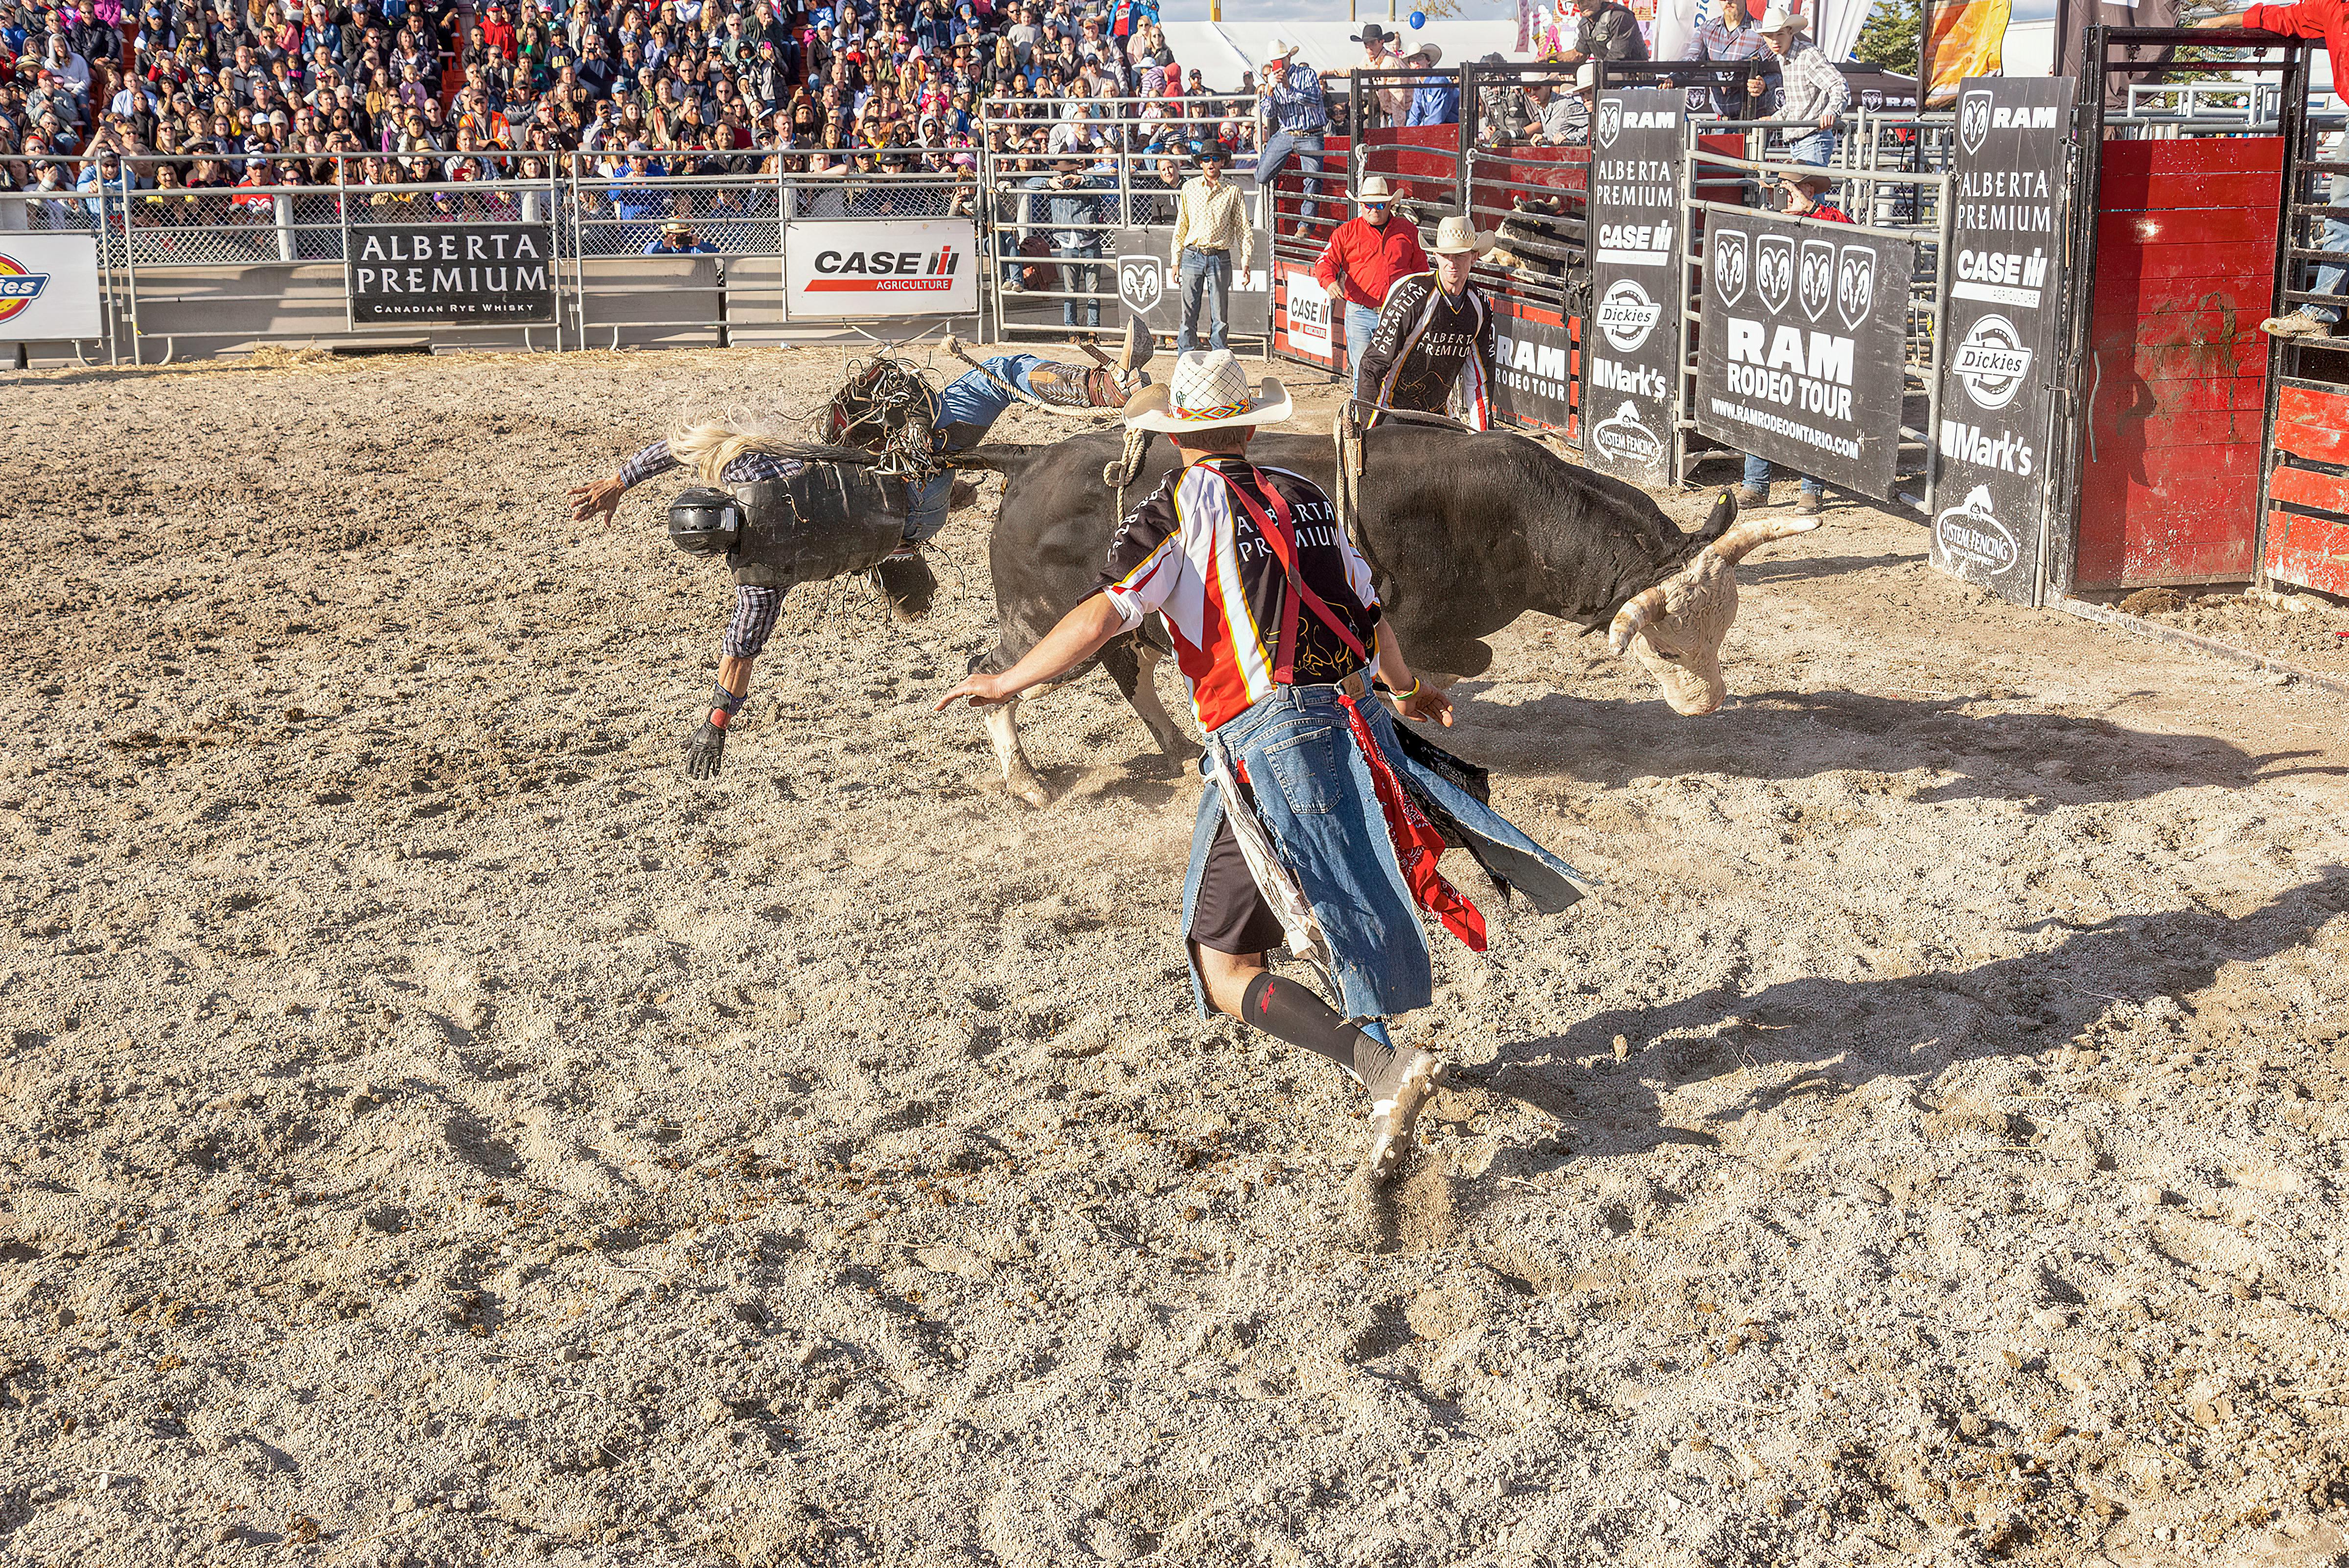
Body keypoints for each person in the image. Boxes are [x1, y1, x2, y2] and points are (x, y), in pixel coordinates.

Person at [935, 349, 1591, 1181]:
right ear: (1249, 423)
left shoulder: (1172, 505)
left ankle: (1382, 1069)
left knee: (1226, 963)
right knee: (1330, 908)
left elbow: (1104, 613)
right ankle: (1385, 1077)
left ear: (1181, 430)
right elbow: (1370, 613)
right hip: (1350, 727)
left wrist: (1008, 676)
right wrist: (1413, 689)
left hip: (1262, 742)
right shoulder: (1309, 498)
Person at [2198, 1, 2348, 338]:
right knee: (2341, 213)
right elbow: (2284, 17)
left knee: (2342, 213)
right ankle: (2320, 312)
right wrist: (2222, 22)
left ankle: (2320, 312)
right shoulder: (2331, 8)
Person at [1738, 170, 1848, 514]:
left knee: (1814, 403)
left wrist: (1810, 210)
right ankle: (1755, 485)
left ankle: (1811, 489)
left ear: (1809, 190)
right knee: (1762, 397)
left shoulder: (1830, 218)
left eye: (1791, 188)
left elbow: (1851, 237)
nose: (1784, 195)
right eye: (1781, 189)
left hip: (1816, 323)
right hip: (1776, 323)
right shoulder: (1770, 219)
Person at [1354, 214, 1496, 432]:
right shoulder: (1413, 294)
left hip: (1437, 413)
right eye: (1445, 255)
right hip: (1392, 410)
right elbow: (1373, 365)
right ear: (1435, 256)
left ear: (1474, 257)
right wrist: (1369, 429)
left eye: (1460, 255)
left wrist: (1486, 437)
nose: (1452, 262)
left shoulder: (1480, 306)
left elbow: (1480, 378)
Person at [1312, 175, 1428, 371]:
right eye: (1369, 205)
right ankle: (1364, 403)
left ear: (1390, 205)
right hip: (1360, 311)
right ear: (1362, 206)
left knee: (1395, 372)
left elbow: (1421, 271)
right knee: (1362, 372)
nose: (1374, 209)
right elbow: (1325, 261)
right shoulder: (1347, 232)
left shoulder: (1408, 230)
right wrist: (1329, 281)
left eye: (1381, 205)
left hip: (1398, 312)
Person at [1169, 137, 1248, 353]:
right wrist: (1176, 260)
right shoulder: (1189, 188)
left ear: (1222, 162)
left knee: (1220, 315)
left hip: (1220, 255)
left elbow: (1243, 227)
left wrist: (1246, 259)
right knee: (1188, 313)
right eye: (1206, 159)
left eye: (1215, 158)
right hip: (1193, 253)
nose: (1211, 163)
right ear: (1201, 163)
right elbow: (1182, 225)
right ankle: (1185, 359)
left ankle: (1220, 359)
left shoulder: (1233, 190)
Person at [1757, 5, 1844, 166]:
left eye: (1780, 34)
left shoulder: (1808, 55)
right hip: (1803, 141)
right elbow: (1796, 104)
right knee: (1801, 191)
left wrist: (1831, 111)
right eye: (1769, 36)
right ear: (1764, 38)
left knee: (1805, 191)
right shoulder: (1785, 58)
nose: (1775, 41)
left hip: (1813, 138)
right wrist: (1774, 119)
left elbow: (1838, 85)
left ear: (1790, 32)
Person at [1254, 38, 1326, 232]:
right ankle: (1276, 220)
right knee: (1261, 175)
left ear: (1288, 58)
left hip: (1310, 133)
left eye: (1280, 60)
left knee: (1313, 178)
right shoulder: (1272, 83)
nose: (1278, 66)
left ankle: (1306, 224)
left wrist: (1289, 88)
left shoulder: (1306, 74)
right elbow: (1268, 113)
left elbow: (1314, 99)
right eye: (1275, 62)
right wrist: (1269, 89)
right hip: (1287, 133)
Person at [1677, 0, 1773, 118]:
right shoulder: (1706, 29)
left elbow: (1777, 71)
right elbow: (1693, 59)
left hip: (1752, 122)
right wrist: (1676, 76)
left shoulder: (1762, 33)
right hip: (1721, 121)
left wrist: (1764, 84)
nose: (1728, 1)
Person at [1402, 44, 1456, 128]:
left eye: (1420, 58)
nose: (1416, 62)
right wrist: (1410, 132)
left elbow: (1437, 118)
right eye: (1412, 60)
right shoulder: (1419, 86)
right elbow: (1415, 114)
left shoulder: (1438, 83)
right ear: (1410, 66)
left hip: (1450, 127)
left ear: (1428, 61)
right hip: (1437, 128)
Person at [644, 217, 714, 253]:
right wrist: (663, 246)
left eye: (682, 234)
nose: (678, 237)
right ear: (668, 235)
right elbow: (647, 252)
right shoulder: (662, 247)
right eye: (674, 234)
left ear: (686, 234)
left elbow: (715, 252)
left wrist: (699, 244)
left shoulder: (692, 248)